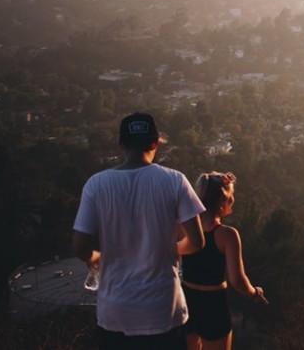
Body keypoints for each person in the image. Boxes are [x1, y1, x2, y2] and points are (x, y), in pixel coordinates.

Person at [72, 112, 206, 349]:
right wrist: (169, 248)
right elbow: (196, 242)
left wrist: (96, 257)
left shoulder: (96, 184)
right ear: (155, 143)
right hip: (163, 310)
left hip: (115, 312)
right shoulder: (175, 181)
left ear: (122, 145)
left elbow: (80, 246)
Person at [181, 171, 268, 350]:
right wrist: (254, 293)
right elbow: (237, 280)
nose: (233, 201)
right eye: (231, 197)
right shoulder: (227, 235)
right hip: (214, 306)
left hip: (186, 301)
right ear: (222, 202)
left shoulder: (183, 226)